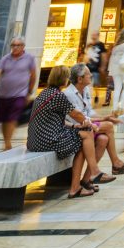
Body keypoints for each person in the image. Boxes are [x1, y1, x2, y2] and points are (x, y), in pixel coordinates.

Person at [26, 65, 104, 199]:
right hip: (47, 140)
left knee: (83, 137)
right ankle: (86, 178)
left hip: (34, 140)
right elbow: (78, 116)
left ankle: (82, 182)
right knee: (86, 135)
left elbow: (58, 120)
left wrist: (74, 127)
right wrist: (92, 126)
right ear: (63, 79)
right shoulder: (58, 96)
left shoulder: (45, 93)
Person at [63, 65, 124, 180]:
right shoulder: (69, 94)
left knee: (103, 139)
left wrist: (104, 117)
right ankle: (116, 163)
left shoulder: (85, 89)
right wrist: (104, 119)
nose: (91, 75)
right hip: (74, 128)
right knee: (108, 126)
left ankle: (87, 180)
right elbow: (78, 119)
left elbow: (89, 112)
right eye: (88, 74)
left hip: (86, 126)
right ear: (80, 79)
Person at [0, 37, 37, 151]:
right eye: (13, 45)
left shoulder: (29, 58)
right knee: (3, 119)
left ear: (23, 46)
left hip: (20, 94)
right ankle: (6, 140)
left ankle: (7, 144)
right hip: (3, 94)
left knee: (12, 118)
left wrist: (29, 92)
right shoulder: (5, 59)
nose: (15, 48)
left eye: (18, 45)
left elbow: (33, 76)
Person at [83, 31, 110, 107]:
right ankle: (88, 101)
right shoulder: (89, 45)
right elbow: (86, 55)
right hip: (88, 68)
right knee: (89, 85)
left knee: (96, 84)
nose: (93, 36)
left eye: (95, 35)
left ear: (98, 36)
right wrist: (83, 64)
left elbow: (104, 56)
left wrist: (103, 67)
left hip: (96, 68)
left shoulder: (101, 45)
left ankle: (96, 95)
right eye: (92, 35)